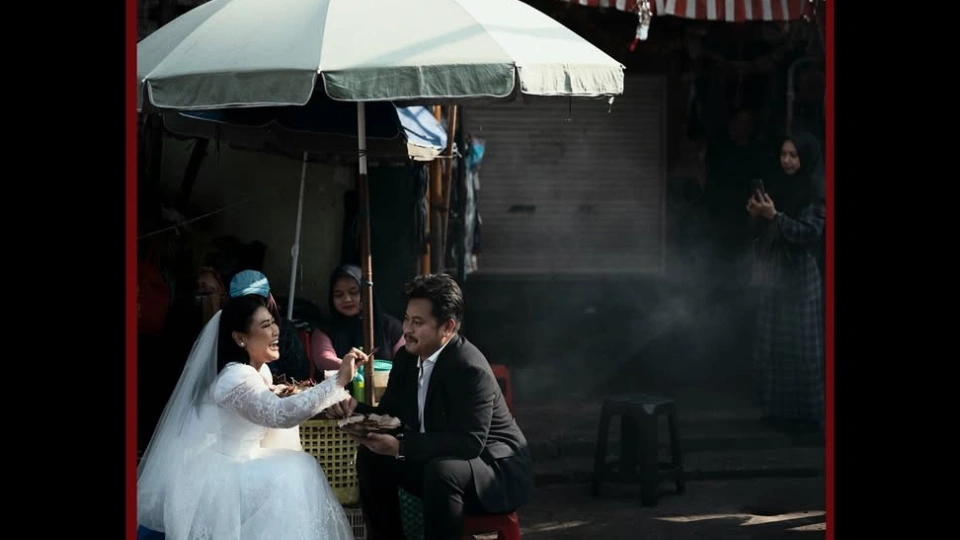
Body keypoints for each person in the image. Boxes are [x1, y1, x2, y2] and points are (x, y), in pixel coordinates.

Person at [137, 294, 369, 539]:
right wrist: (338, 380)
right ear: (240, 338)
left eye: (273, 322)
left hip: (243, 461)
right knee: (298, 470)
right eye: (265, 325)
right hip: (220, 475)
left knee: (297, 469)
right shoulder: (235, 377)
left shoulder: (259, 372)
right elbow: (279, 414)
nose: (276, 331)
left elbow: (274, 401)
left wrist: (332, 395)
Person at [326, 273, 533, 540]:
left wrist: (401, 447)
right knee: (372, 457)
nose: (407, 330)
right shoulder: (406, 359)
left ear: (447, 327)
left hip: (492, 472)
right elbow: (392, 417)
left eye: (418, 322)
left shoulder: (468, 368)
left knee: (442, 471)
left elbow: (470, 443)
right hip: (435, 460)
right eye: (406, 319)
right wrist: (354, 409)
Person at [746, 130, 826, 432]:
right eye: (784, 154)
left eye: (793, 155)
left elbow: (810, 232)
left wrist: (775, 216)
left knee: (802, 349)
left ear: (804, 157)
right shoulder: (779, 185)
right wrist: (757, 215)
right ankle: (778, 412)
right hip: (775, 274)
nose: (788, 160)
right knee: (775, 347)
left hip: (801, 278)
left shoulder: (814, 190)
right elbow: (765, 230)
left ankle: (806, 416)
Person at [311, 264, 405, 373]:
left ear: (366, 293)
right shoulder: (324, 329)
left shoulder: (390, 326)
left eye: (353, 292)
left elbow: (404, 361)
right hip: (338, 388)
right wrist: (350, 366)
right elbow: (324, 358)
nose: (346, 299)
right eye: (338, 295)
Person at [230, 269, 311, 381]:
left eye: (258, 300)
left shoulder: (285, 331)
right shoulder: (224, 334)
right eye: (246, 302)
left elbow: (299, 376)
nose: (253, 307)